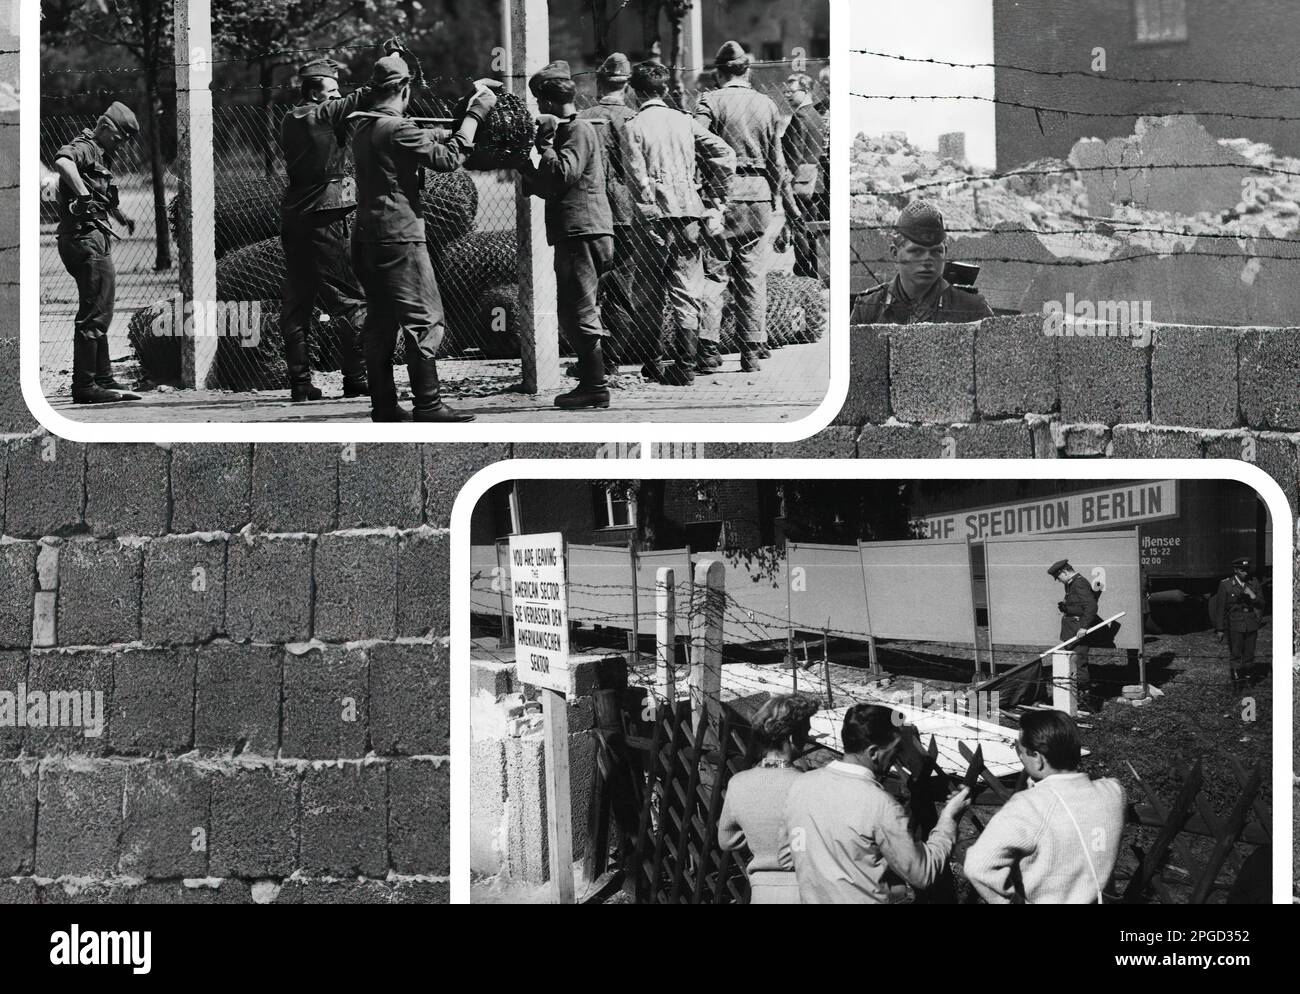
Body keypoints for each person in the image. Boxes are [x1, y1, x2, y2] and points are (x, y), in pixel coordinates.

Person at [349, 50, 498, 422]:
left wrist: (457, 117)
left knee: (380, 322)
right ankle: (428, 405)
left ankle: (384, 406)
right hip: (400, 235)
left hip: (367, 237)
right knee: (424, 319)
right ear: (404, 89)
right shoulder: (397, 129)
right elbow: (449, 159)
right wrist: (476, 114)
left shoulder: (365, 126)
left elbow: (419, 137)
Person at [783, 703, 970, 903]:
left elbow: (787, 855)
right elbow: (922, 873)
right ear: (873, 752)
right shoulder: (880, 805)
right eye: (895, 749)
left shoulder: (801, 785)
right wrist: (948, 819)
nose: (897, 757)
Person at [620, 60, 735, 385]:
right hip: (689, 215)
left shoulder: (633, 126)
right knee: (687, 288)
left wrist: (649, 214)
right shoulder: (685, 121)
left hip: (654, 218)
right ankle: (685, 364)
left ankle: (654, 362)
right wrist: (717, 199)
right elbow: (725, 154)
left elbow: (636, 176)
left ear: (634, 91)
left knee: (648, 291)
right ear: (666, 89)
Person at [515, 61, 615, 410]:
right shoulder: (570, 131)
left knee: (578, 310)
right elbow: (550, 185)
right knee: (573, 310)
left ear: (546, 102)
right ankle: (592, 383)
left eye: (538, 102)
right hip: (579, 231)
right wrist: (525, 166)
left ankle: (595, 386)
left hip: (581, 232)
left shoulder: (577, 130)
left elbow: (562, 175)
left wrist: (543, 145)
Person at [278, 57, 374, 403]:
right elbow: (365, 96)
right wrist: (392, 64)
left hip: (295, 218)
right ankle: (357, 378)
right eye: (332, 91)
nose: (338, 96)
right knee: (351, 300)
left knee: (298, 303)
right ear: (315, 94)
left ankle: (300, 384)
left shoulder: (292, 117)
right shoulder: (319, 114)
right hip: (327, 216)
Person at [963, 709, 1125, 904]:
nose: (1020, 757)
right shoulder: (1114, 793)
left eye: (1020, 750)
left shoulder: (1028, 806)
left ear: (1038, 758)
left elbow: (977, 866)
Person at [695, 41, 789, 372]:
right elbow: (777, 160)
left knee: (714, 272)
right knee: (752, 275)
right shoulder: (767, 104)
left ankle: (708, 349)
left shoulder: (710, 101)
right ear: (746, 71)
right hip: (758, 194)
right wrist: (774, 196)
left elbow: (696, 142)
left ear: (719, 73)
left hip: (720, 195)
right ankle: (751, 349)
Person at [52, 101, 142, 404]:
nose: (121, 145)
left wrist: (120, 216)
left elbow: (101, 196)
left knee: (100, 308)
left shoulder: (100, 152)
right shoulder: (86, 147)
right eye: (118, 138)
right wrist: (83, 194)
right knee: (95, 314)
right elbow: (63, 162)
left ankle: (103, 379)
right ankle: (86, 386)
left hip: (89, 237)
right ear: (104, 127)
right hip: (85, 238)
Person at [717, 694, 819, 904]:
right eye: (806, 733)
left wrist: (760, 836)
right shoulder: (808, 785)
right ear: (792, 738)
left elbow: (726, 840)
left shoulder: (738, 783)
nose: (808, 739)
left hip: (762, 892)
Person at [576, 53, 637, 370]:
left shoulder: (582, 118)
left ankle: (589, 360)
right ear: (627, 86)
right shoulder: (635, 118)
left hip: (590, 211)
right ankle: (611, 359)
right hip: (625, 213)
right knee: (621, 289)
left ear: (599, 84)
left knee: (585, 290)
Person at [849, 200, 994, 324]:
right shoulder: (869, 308)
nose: (927, 260)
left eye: (936, 251)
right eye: (917, 251)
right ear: (895, 253)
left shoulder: (973, 309)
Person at [779, 72, 825, 279]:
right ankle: (813, 270)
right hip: (815, 180)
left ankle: (804, 273)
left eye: (791, 91)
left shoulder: (799, 117)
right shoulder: (815, 115)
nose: (787, 95)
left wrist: (786, 178)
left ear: (805, 91)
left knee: (799, 228)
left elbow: (795, 154)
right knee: (811, 228)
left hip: (800, 181)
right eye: (785, 92)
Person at [1048, 558, 1101, 710]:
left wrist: (1083, 627)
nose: (1059, 581)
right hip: (1071, 631)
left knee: (1079, 665)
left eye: (1058, 577)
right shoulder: (1071, 583)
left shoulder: (1079, 583)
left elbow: (1091, 606)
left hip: (1077, 632)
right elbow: (1079, 606)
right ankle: (1075, 700)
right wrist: (1067, 608)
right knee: (1072, 664)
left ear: (1064, 572)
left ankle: (1086, 703)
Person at [1212, 557, 1265, 691]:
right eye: (1242, 570)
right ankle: (1237, 683)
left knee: (1249, 654)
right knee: (1236, 654)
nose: (1246, 573)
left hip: (1251, 623)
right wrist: (1220, 629)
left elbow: (1262, 603)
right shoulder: (1226, 584)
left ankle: (1248, 681)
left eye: (1247, 570)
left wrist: (1253, 596)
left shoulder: (1253, 582)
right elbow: (1220, 609)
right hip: (1234, 624)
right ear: (1236, 570)